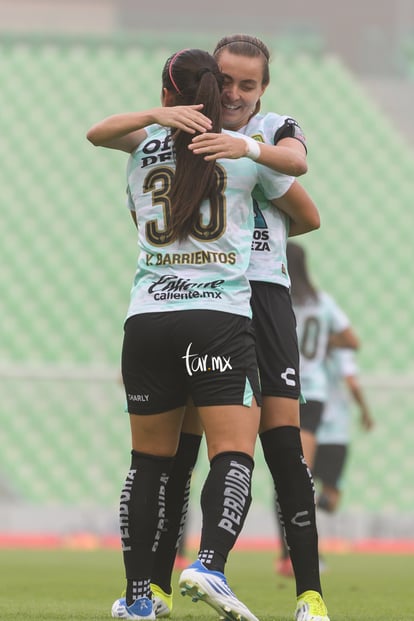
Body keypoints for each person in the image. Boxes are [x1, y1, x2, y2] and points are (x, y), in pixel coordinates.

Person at [89, 34, 327, 621]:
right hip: (219, 313)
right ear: (208, 86)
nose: (236, 93)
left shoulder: (158, 146)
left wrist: (163, 117)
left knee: (161, 460)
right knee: (223, 451)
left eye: (249, 85)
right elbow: (302, 194)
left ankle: (147, 596)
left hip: (163, 313)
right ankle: (202, 567)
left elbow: (97, 132)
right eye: (226, 83)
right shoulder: (235, 154)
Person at [275, 241, 360, 578]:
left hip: (282, 389)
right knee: (299, 476)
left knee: (288, 477)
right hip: (314, 395)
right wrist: (324, 340)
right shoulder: (322, 303)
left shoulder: (277, 299)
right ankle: (305, 554)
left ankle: (291, 554)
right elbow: (352, 340)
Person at [313, 348, 374, 515]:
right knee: (332, 498)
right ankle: (309, 502)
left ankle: (303, 502)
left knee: (300, 484)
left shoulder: (305, 346)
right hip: (335, 433)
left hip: (308, 427)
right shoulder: (342, 351)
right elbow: (352, 382)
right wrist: (365, 412)